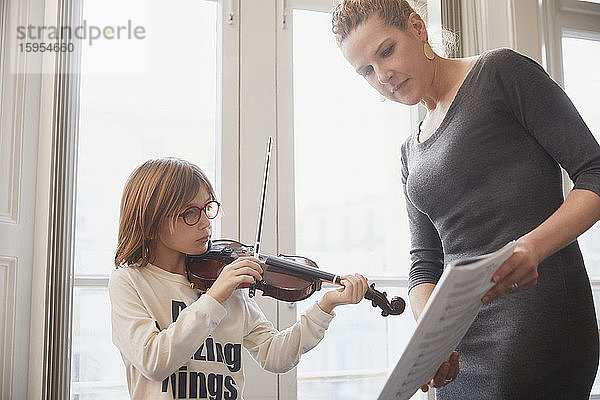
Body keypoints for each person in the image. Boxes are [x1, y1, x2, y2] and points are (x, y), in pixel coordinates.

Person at [332, 0, 600, 398]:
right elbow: (424, 262)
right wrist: (431, 343)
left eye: (386, 51)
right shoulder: (410, 151)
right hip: (457, 348)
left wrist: (531, 248)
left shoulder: (501, 73)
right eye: (366, 71)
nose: (383, 75)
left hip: (534, 319)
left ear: (417, 27)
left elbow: (593, 173)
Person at [109, 157, 368, 399]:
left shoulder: (220, 279)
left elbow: (275, 355)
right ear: (151, 222)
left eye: (208, 208)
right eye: (190, 213)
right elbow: (154, 362)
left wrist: (325, 306)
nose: (206, 223)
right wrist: (215, 297)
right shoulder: (130, 282)